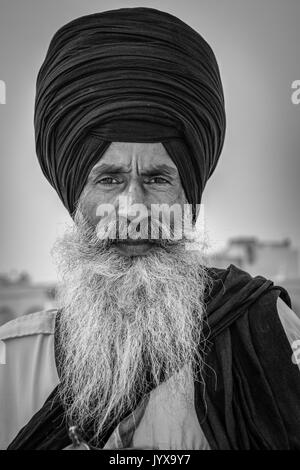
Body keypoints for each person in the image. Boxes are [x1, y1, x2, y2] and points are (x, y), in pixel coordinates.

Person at [1, 7, 300, 450]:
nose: (134, 208)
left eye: (158, 179)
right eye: (109, 179)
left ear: (188, 196)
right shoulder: (13, 361)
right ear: (74, 198)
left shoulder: (265, 330)